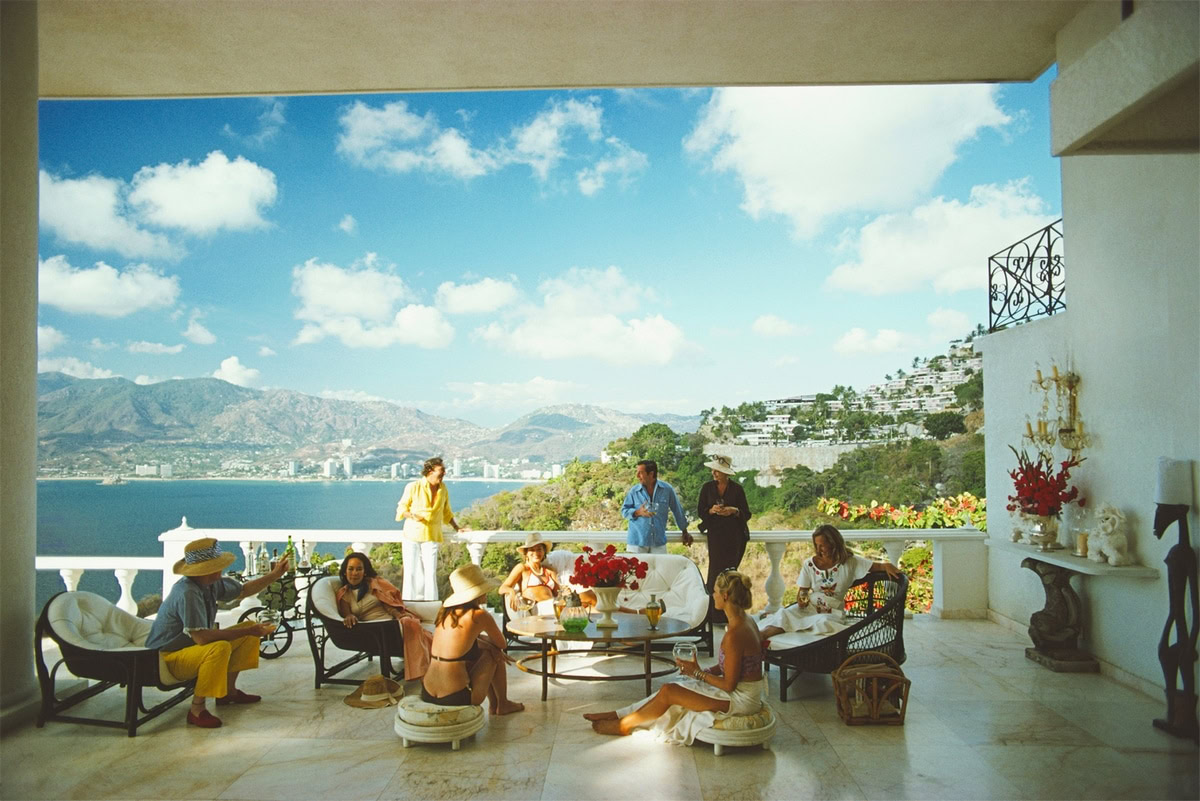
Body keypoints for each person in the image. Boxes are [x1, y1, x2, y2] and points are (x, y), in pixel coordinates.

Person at [585, 570, 763, 742]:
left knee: (670, 692)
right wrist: (701, 671)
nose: (713, 595)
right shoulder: (746, 621)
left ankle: (624, 725)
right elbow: (732, 666)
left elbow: (729, 684)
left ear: (725, 596)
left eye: (715, 591)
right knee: (672, 686)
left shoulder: (735, 633)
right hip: (741, 692)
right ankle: (618, 714)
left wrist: (698, 674)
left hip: (741, 700)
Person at [145, 537, 291, 728]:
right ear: (207, 568)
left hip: (189, 649)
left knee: (246, 631)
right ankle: (197, 710)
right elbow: (202, 638)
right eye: (217, 565)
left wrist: (275, 575)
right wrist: (250, 630)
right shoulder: (188, 592)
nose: (221, 568)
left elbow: (243, 591)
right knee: (220, 647)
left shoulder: (209, 583)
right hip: (166, 659)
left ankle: (228, 693)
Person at [759, 524, 902, 640]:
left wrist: (888, 567)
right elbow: (803, 591)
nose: (819, 549)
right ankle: (760, 637)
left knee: (823, 623)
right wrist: (802, 599)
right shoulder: (809, 564)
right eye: (817, 545)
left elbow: (878, 566)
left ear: (833, 543)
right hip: (810, 607)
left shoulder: (850, 562)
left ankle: (802, 639)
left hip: (832, 611)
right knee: (786, 613)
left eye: (823, 545)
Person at [421, 563, 524, 715]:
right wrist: (491, 646)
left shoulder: (445, 614)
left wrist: (484, 642)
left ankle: (496, 704)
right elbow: (501, 643)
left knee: (488, 649)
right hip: (457, 696)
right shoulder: (479, 615)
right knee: (494, 653)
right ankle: (502, 703)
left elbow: (459, 644)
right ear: (477, 593)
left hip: (427, 692)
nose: (487, 593)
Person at [335, 551, 432, 681]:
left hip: (392, 623)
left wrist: (399, 615)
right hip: (376, 631)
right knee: (419, 633)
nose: (354, 573)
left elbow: (388, 604)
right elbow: (347, 614)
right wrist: (348, 616)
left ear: (364, 571)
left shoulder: (373, 585)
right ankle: (424, 674)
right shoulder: (344, 594)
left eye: (359, 569)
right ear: (345, 571)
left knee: (412, 625)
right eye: (351, 569)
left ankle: (429, 671)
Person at [395, 456, 466, 600]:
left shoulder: (443, 489)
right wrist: (412, 515)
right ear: (430, 471)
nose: (444, 473)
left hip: (432, 535)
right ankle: (408, 603)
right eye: (441, 470)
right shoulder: (413, 486)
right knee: (410, 572)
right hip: (412, 534)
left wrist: (457, 528)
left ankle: (431, 603)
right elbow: (401, 508)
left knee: (431, 573)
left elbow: (446, 512)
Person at [695, 454, 751, 624]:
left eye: (717, 471)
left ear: (725, 473)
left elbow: (746, 514)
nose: (714, 473)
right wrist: (712, 510)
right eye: (713, 470)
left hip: (734, 537)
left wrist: (734, 510)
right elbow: (701, 512)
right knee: (714, 574)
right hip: (716, 536)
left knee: (731, 574)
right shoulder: (707, 488)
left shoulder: (737, 489)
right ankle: (711, 615)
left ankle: (730, 613)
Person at [620, 459, 692, 554]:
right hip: (637, 543)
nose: (637, 476)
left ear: (651, 474)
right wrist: (638, 512)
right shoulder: (634, 491)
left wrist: (684, 531)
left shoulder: (667, 489)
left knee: (660, 569)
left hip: (658, 542)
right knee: (635, 569)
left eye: (640, 473)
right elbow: (624, 511)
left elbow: (677, 510)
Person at [499, 532, 561, 611]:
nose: (536, 553)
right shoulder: (522, 568)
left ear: (544, 551)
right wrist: (512, 592)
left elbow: (558, 594)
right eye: (532, 550)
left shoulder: (550, 570)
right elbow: (502, 588)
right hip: (536, 608)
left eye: (539, 549)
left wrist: (565, 592)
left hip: (552, 605)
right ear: (526, 553)